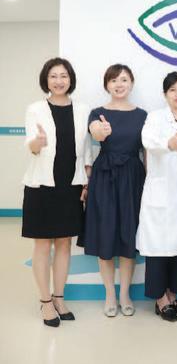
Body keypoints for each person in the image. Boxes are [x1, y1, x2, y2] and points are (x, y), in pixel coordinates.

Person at [22, 57, 91, 327]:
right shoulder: (35, 109)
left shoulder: (83, 109)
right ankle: (45, 301)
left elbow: (86, 150)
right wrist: (38, 142)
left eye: (63, 76)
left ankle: (59, 297)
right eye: (53, 76)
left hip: (71, 185)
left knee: (64, 243)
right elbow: (31, 145)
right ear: (46, 80)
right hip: (42, 186)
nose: (59, 81)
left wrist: (86, 181)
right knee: (42, 244)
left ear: (70, 79)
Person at [136, 72, 177, 322]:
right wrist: (169, 144)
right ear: (165, 94)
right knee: (159, 248)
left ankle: (173, 294)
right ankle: (160, 299)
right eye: (173, 89)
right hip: (161, 194)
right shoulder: (155, 118)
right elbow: (147, 141)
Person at [81, 64, 146, 317]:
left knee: (129, 235)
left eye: (124, 80)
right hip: (105, 176)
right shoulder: (97, 113)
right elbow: (95, 132)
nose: (119, 84)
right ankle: (109, 294)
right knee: (105, 234)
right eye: (114, 80)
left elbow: (147, 152)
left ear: (132, 83)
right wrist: (101, 131)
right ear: (106, 85)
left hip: (133, 177)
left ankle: (125, 294)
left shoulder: (142, 115)